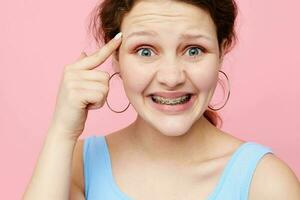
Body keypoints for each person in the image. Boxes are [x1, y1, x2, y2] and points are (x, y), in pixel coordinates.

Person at [23, 0, 300, 199]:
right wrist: (62, 131)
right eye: (145, 51)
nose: (171, 77)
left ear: (222, 51)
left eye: (194, 50)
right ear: (115, 57)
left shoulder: (265, 182)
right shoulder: (77, 164)